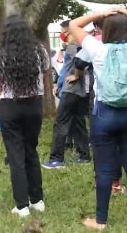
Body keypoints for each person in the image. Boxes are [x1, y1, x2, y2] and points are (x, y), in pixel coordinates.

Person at [71, 7, 127, 230]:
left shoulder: (97, 49)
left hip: (105, 114)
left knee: (104, 171)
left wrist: (101, 13)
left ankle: (100, 221)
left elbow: (74, 25)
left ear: (105, 29)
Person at [0, 15, 50, 218]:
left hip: (10, 106)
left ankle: (22, 205)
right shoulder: (40, 51)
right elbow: (46, 76)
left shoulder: (2, 54)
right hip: (34, 105)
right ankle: (37, 200)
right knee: (31, 150)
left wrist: (4, 97)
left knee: (15, 155)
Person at [43, 21, 91, 169]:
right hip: (80, 91)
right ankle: (84, 155)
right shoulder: (82, 47)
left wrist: (75, 76)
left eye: (63, 31)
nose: (62, 35)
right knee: (78, 122)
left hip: (71, 90)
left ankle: (56, 159)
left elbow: (78, 63)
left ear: (70, 32)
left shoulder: (72, 47)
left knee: (61, 122)